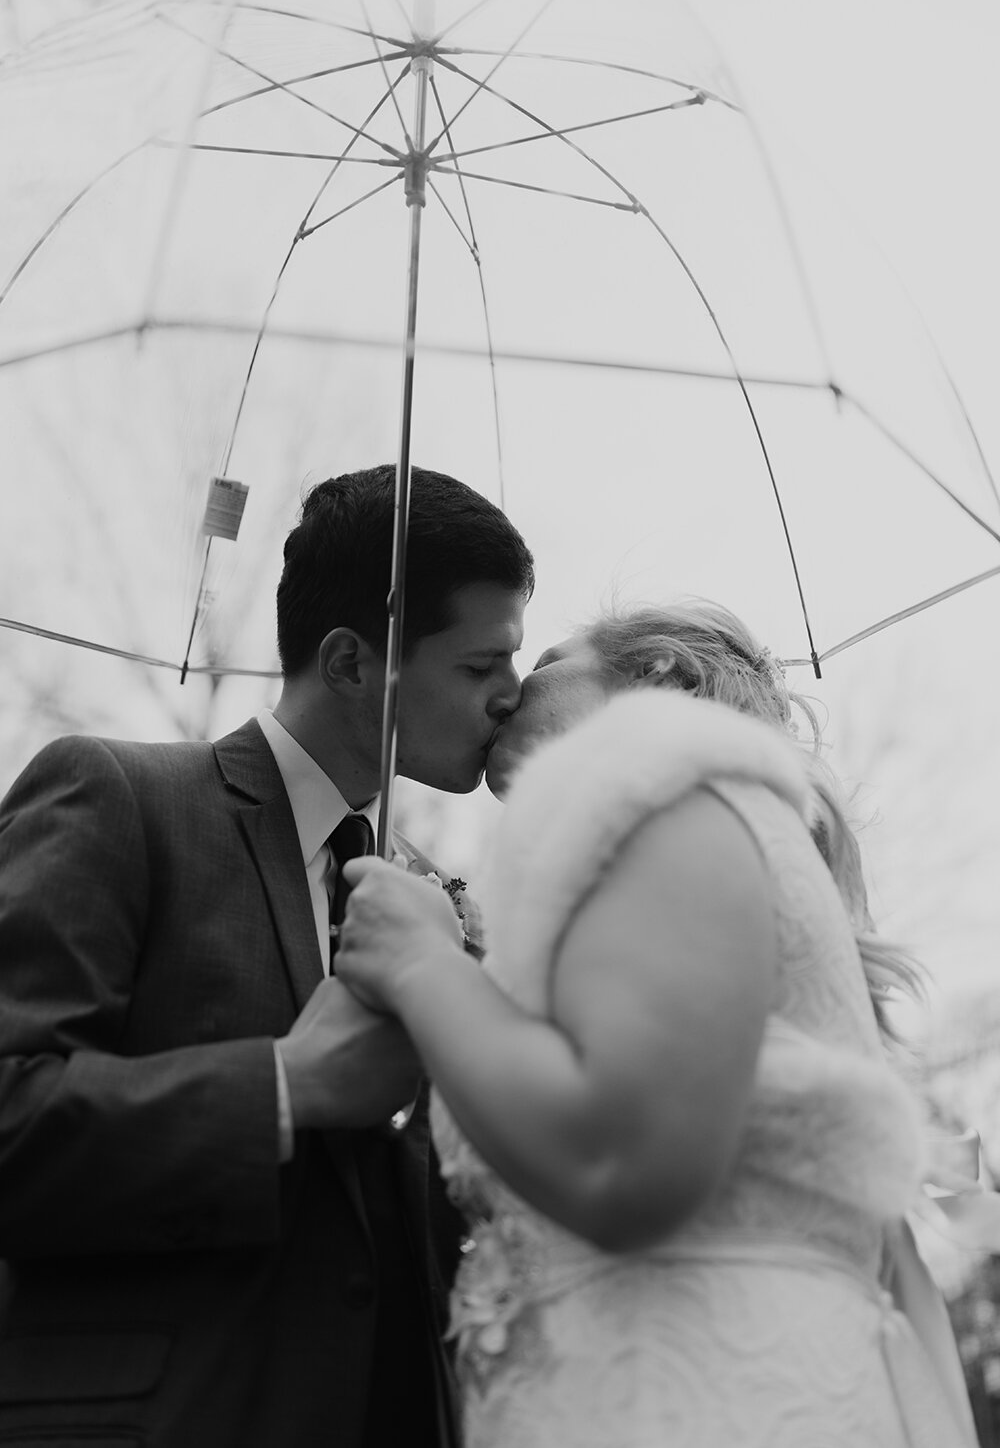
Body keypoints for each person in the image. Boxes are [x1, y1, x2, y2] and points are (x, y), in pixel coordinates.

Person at [336, 599, 977, 1448]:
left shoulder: (673, 786)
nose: (512, 685)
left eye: (552, 658)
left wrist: (422, 968)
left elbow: (622, 1161)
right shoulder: (665, 844)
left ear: (662, 678)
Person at [0, 464, 533, 1448]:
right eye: (477, 668)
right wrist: (285, 1087)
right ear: (347, 663)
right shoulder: (114, 795)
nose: (514, 696)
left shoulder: (439, 910)